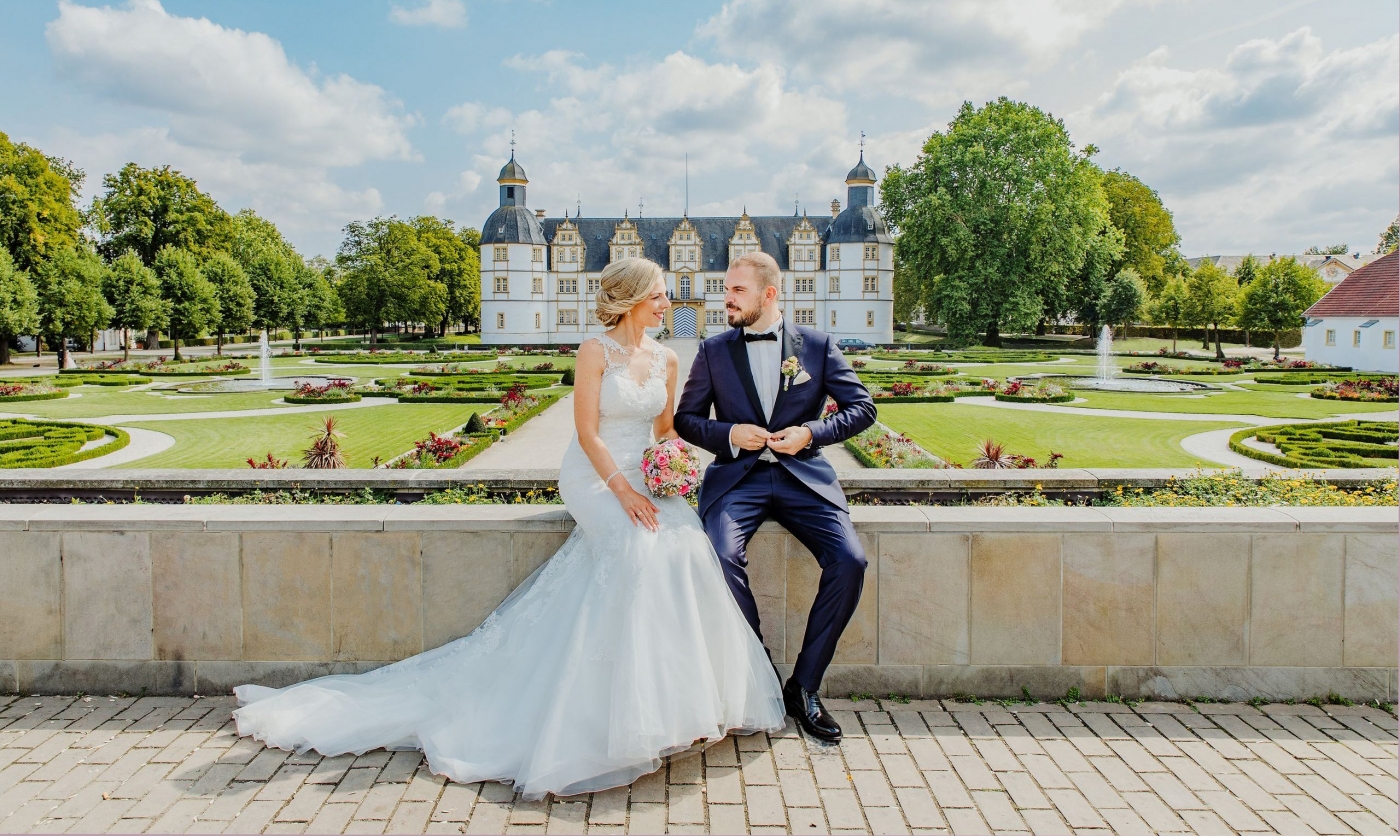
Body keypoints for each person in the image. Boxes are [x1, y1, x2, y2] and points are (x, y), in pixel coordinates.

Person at [231, 257, 784, 800]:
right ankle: (627, 716)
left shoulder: (666, 358)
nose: (671, 301)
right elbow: (588, 433)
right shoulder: (595, 350)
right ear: (634, 299)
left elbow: (662, 430)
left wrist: (671, 470)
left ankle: (677, 706)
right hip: (595, 477)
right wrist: (624, 492)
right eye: (662, 293)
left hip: (642, 473)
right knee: (637, 549)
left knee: (686, 544)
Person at [675, 251, 876, 742]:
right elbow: (686, 418)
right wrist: (728, 434)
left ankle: (804, 686)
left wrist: (811, 433)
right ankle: (759, 673)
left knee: (850, 561)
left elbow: (862, 408)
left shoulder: (819, 346)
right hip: (738, 480)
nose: (726, 298)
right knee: (720, 558)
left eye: (737, 290)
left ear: (769, 294)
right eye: (726, 289)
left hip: (801, 477)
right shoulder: (713, 349)